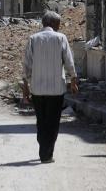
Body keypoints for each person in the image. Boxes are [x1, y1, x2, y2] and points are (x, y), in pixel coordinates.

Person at [22, 11, 78, 164]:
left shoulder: (33, 39)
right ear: (53, 24)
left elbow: (26, 66)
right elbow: (69, 61)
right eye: (58, 24)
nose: (59, 27)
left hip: (37, 89)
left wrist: (25, 88)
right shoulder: (61, 38)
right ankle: (46, 154)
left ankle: (44, 149)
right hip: (56, 90)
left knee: (41, 120)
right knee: (53, 122)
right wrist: (73, 79)